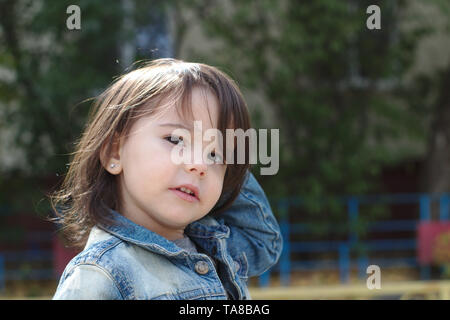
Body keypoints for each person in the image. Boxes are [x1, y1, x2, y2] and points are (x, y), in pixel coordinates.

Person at [50, 58, 282, 300]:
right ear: (114, 152)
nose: (199, 165)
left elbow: (263, 242)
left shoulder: (217, 246)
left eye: (214, 155)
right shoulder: (101, 273)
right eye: (176, 140)